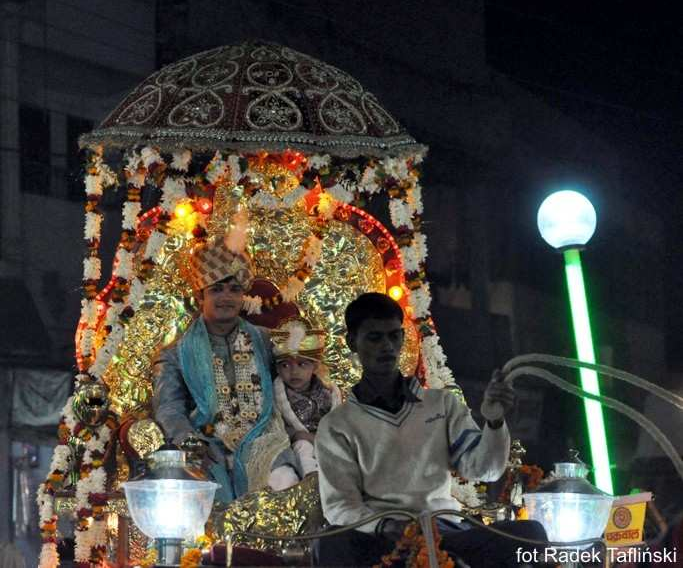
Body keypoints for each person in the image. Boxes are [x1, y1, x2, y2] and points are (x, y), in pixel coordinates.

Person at [314, 292, 547, 567]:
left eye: (393, 336)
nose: (387, 346)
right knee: (329, 542)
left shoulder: (441, 404)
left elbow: (485, 470)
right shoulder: (337, 424)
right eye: (374, 338)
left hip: (444, 531)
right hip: (382, 539)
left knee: (532, 535)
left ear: (403, 338)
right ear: (352, 342)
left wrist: (494, 421)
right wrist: (389, 527)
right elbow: (340, 506)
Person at [152, 237, 289, 504]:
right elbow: (168, 408)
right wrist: (188, 441)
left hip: (265, 439)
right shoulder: (175, 354)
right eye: (216, 290)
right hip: (208, 445)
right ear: (199, 296)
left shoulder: (268, 342)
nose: (226, 297)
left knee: (283, 482)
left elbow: (300, 379)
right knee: (207, 493)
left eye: (234, 289)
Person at [267, 318, 342, 491]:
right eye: (285, 365)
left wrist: (320, 439)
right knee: (303, 447)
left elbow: (339, 424)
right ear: (277, 369)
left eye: (302, 364)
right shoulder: (276, 394)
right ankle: (311, 483)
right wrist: (296, 435)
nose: (294, 372)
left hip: (327, 445)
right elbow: (274, 427)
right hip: (294, 447)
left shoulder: (329, 392)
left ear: (315, 366)